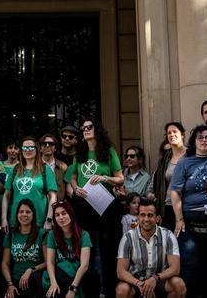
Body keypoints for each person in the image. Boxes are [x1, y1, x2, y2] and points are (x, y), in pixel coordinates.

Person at [168, 124, 207, 297]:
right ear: (194, 142)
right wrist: (179, 219)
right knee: (191, 268)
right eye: (200, 137)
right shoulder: (185, 163)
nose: (204, 140)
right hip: (190, 226)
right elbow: (175, 191)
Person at [66, 118, 124, 296]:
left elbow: (120, 178)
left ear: (97, 130)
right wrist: (76, 189)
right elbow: (73, 177)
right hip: (85, 206)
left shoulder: (108, 151)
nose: (85, 130)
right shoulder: (79, 153)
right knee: (87, 251)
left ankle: (109, 291)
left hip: (105, 206)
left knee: (108, 251)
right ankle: (88, 292)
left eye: (89, 127)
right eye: (83, 128)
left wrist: (104, 178)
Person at [114, 198, 184, 298]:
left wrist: (154, 279)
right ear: (138, 217)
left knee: (179, 285)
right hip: (136, 282)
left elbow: (175, 268)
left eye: (150, 215)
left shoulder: (168, 235)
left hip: (160, 280)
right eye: (142, 215)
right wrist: (138, 283)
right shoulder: (127, 237)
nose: (146, 219)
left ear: (157, 218)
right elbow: (120, 271)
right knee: (122, 290)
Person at [4, 137, 58, 229]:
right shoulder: (15, 169)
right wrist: (3, 219)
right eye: (24, 148)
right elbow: (6, 196)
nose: (27, 150)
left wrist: (49, 219)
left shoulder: (45, 169)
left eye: (31, 148)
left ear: (37, 149)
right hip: (16, 221)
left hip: (39, 221)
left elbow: (53, 196)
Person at [44, 201, 91, 298]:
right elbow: (50, 262)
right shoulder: (52, 235)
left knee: (92, 276)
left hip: (77, 274)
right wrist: (53, 283)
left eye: (64, 213)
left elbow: (84, 265)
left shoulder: (84, 234)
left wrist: (73, 288)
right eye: (57, 215)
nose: (61, 217)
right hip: (60, 274)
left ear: (71, 214)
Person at [3, 200, 47, 297]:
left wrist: (30, 270)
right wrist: (10, 284)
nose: (24, 214)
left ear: (33, 214)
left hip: (35, 281)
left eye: (28, 212)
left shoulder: (42, 234)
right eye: (21, 212)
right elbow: (5, 263)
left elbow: (49, 262)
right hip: (15, 282)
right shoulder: (10, 235)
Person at [152, 122, 186, 231]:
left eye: (175, 131)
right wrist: (158, 210)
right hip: (167, 207)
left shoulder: (190, 155)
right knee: (169, 245)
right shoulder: (166, 157)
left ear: (182, 135)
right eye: (169, 133)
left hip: (185, 207)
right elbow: (160, 184)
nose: (172, 134)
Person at [41, 134, 68, 203]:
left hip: (59, 207)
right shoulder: (33, 166)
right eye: (44, 144)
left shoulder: (63, 166)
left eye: (51, 144)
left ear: (55, 148)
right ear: (40, 148)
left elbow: (68, 188)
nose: (47, 145)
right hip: (39, 205)